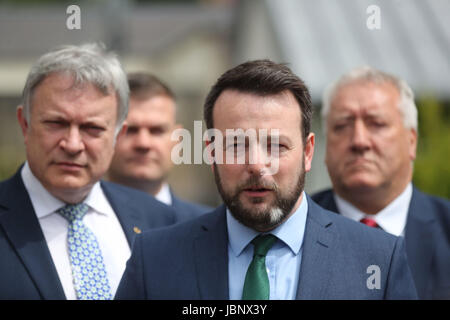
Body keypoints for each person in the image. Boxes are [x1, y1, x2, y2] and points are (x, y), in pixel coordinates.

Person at [116, 60, 417, 300]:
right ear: (211, 153)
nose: (257, 165)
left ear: (308, 152)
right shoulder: (155, 260)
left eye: (276, 146)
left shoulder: (378, 260)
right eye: (236, 145)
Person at [0, 43, 176, 300]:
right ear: (24, 125)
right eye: (56, 123)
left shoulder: (160, 222)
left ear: (118, 135)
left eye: (92, 128)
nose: (72, 144)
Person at [312, 66, 450, 299]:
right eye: (342, 126)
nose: (359, 141)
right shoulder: (293, 232)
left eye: (376, 123)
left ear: (412, 141)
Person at [108, 72, 211, 222]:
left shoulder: (215, 229)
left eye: (157, 131)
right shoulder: (76, 225)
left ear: (179, 141)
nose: (143, 143)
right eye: (130, 130)